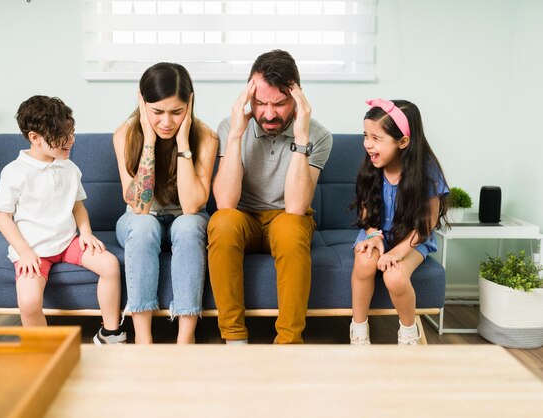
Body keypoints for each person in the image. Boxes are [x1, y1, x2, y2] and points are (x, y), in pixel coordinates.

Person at [208, 49, 333, 344]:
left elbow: (296, 207)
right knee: (222, 221)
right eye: (260, 102)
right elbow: (225, 203)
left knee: (290, 227)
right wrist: (236, 136)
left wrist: (301, 138)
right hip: (244, 219)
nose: (268, 113)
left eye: (279, 103)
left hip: (287, 217)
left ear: (297, 99)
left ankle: (289, 343)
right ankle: (234, 338)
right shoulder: (230, 127)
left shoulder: (318, 135)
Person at [0, 95, 125, 345]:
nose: (71, 140)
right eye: (62, 135)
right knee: (29, 302)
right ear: (35, 138)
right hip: (33, 250)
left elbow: (78, 207)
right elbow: (3, 218)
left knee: (109, 265)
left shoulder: (69, 168)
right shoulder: (14, 172)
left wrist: (85, 233)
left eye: (71, 132)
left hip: (67, 242)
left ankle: (110, 332)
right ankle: (46, 350)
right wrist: (25, 252)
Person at [113, 62, 218, 344]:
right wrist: (149, 140)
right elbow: (138, 206)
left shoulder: (206, 137)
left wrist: (184, 144)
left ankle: (186, 339)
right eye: (157, 112)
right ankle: (143, 339)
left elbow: (192, 206)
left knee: (186, 226)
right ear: (142, 102)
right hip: (139, 221)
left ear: (189, 105)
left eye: (176, 112)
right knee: (145, 225)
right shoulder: (125, 133)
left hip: (186, 220)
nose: (167, 122)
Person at [350, 98, 449, 345]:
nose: (367, 144)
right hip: (377, 231)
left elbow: (425, 226)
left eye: (376, 138)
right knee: (364, 263)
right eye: (365, 135)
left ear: (403, 142)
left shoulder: (427, 172)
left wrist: (397, 252)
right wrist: (373, 235)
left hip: (413, 239)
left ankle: (408, 333)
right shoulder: (372, 165)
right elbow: (365, 211)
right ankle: (359, 331)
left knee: (394, 277)